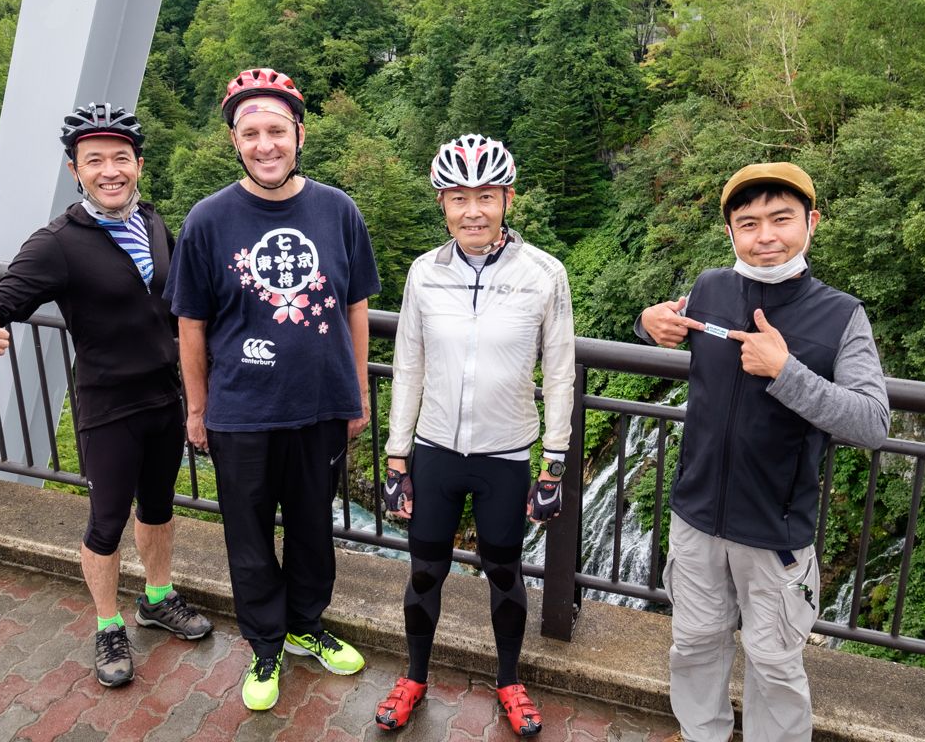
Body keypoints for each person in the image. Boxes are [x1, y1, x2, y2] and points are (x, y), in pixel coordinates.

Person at [0, 103, 214, 689]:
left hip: (164, 397)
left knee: (158, 507)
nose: (109, 170)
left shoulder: (152, 221)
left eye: (120, 158)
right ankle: (107, 624)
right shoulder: (57, 242)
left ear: (139, 165)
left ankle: (156, 597)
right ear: (75, 170)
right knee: (106, 524)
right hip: (108, 406)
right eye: (93, 159)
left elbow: (181, 306)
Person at [636, 162, 890, 741]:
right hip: (696, 517)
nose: (765, 236)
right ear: (731, 232)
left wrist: (786, 371)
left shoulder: (842, 315)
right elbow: (667, 327)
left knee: (775, 665)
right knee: (694, 646)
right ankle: (701, 734)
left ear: (812, 224)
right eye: (748, 223)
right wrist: (646, 324)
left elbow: (873, 423)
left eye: (782, 219)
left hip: (776, 536)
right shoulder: (711, 287)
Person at [164, 67, 380, 712]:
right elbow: (191, 324)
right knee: (249, 534)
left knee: (314, 527)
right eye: (251, 132)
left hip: (319, 407)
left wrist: (358, 394)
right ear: (235, 141)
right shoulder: (208, 220)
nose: (265, 144)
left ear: (299, 135)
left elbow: (356, 309)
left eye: (276, 130)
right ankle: (265, 644)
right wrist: (197, 410)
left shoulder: (338, 211)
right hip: (241, 411)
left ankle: (307, 626)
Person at [373, 134, 575, 738]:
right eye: (459, 198)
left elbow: (560, 370)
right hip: (434, 450)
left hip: (507, 453)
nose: (473, 211)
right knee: (425, 571)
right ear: (443, 203)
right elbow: (408, 365)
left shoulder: (544, 273)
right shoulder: (422, 273)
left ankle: (510, 681)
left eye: (486, 196)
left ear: (507, 198)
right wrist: (396, 455)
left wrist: (555, 463)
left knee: (505, 571)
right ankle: (414, 677)